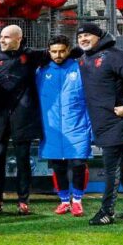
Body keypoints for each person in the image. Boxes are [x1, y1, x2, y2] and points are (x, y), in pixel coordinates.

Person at [75, 23, 123, 226]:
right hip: (103, 121)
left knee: (111, 168)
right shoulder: (84, 57)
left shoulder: (114, 55)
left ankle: (106, 212)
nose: (83, 39)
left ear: (99, 37)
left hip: (118, 121)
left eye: (88, 35)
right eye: (80, 36)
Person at [0, 24, 50, 215]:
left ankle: (23, 201)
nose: (2, 40)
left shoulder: (31, 55)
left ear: (19, 38)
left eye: (7, 37)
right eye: (1, 36)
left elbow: (59, 53)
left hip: (23, 117)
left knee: (23, 160)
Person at [37, 35, 92, 218]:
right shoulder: (41, 71)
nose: (58, 55)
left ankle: (77, 201)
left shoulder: (81, 69)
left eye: (62, 51)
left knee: (78, 164)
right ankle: (63, 201)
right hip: (51, 128)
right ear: (48, 51)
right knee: (58, 166)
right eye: (54, 51)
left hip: (77, 126)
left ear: (69, 50)